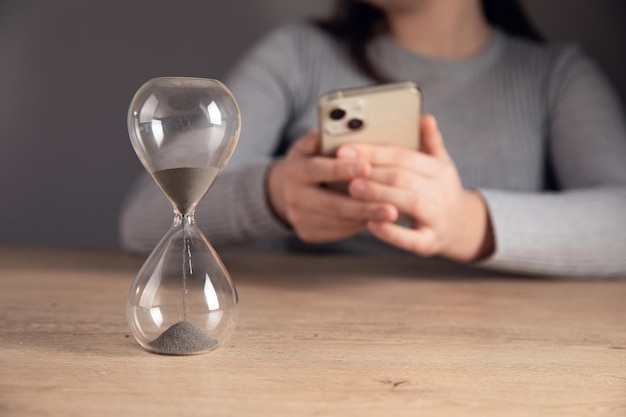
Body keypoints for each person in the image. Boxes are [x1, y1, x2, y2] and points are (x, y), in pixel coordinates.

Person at [119, 0, 626, 277]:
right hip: (318, 346)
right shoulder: (296, 54)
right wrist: (274, 195)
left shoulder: (554, 74)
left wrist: (461, 222)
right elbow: (143, 217)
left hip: (503, 353)